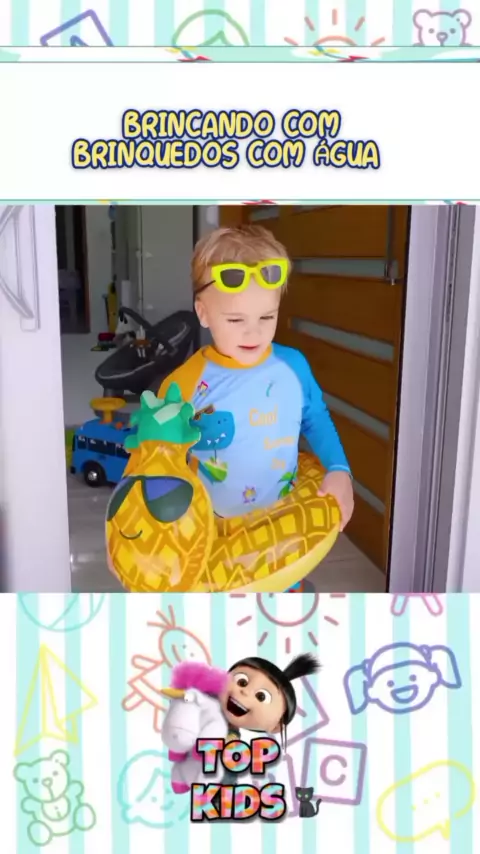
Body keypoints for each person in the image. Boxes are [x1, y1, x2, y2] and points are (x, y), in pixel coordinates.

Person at [157, 224, 354, 545]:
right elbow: (155, 456)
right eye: (236, 320)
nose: (254, 333)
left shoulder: (293, 367)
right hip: (213, 529)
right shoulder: (184, 384)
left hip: (282, 522)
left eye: (267, 317)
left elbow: (315, 418)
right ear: (203, 313)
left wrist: (339, 468)